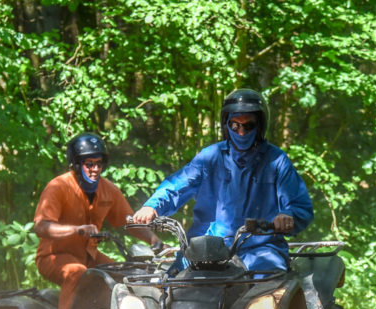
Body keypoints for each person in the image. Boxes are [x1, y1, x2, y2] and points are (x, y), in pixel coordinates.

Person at [130, 88, 313, 272]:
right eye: (235, 126)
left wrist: (288, 217)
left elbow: (300, 205)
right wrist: (152, 206)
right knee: (170, 286)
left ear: (260, 126)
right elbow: (177, 185)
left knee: (269, 289)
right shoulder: (210, 157)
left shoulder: (276, 160)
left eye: (248, 126)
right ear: (226, 125)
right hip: (207, 248)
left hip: (260, 250)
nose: (241, 132)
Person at [34, 132, 159, 309]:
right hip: (53, 256)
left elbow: (128, 222)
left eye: (99, 164)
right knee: (76, 273)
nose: (95, 169)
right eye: (89, 164)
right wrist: (75, 230)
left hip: (89, 257)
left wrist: (154, 240)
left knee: (122, 275)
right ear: (76, 164)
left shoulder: (108, 189)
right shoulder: (58, 186)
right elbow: (42, 227)